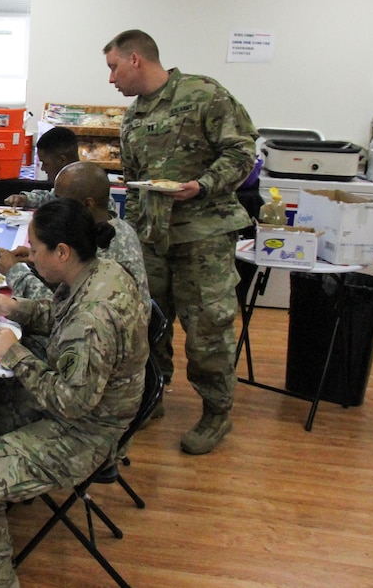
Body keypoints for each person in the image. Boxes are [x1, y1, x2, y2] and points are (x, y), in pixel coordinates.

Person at [0, 199, 149, 588]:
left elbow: (70, 403)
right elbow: (59, 316)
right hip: (100, 408)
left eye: (35, 250)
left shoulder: (92, 317)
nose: (31, 258)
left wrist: (15, 354)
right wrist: (17, 307)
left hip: (86, 432)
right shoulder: (99, 272)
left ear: (62, 252)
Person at [103, 29, 258, 455]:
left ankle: (216, 412)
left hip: (203, 237)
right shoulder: (133, 117)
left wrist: (203, 185)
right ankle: (153, 396)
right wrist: (130, 238)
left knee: (207, 328)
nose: (111, 78)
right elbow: (134, 186)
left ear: (136, 59)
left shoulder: (203, 93)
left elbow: (243, 153)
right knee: (150, 324)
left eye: (114, 67)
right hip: (154, 239)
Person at [0, 161, 150, 311]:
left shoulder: (104, 246)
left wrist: (14, 272)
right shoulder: (109, 227)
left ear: (88, 204)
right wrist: (38, 259)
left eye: (61, 200)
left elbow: (62, 311)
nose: (57, 206)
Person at [4, 126, 80, 208]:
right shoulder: (66, 183)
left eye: (46, 163)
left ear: (61, 160)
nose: (42, 169)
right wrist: (25, 199)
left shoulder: (83, 187)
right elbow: (51, 198)